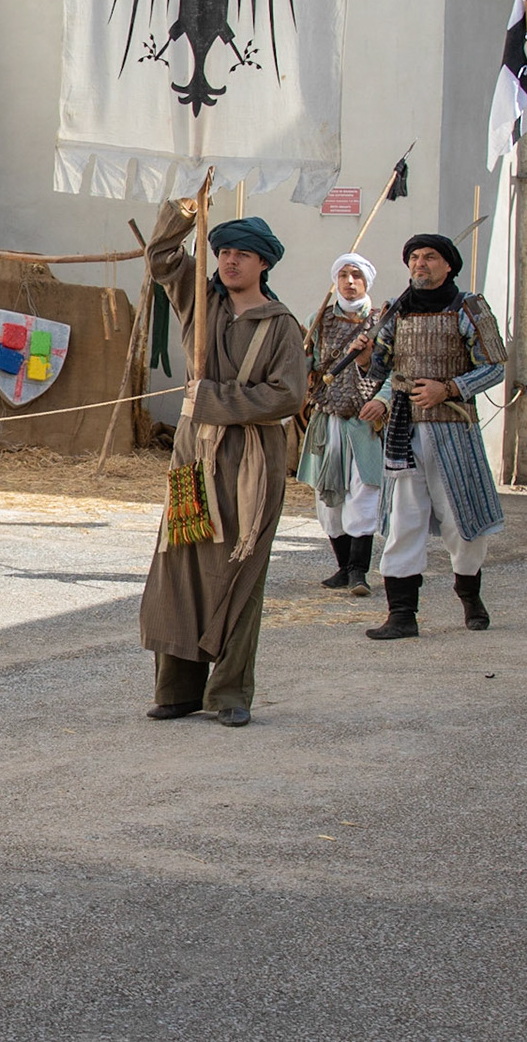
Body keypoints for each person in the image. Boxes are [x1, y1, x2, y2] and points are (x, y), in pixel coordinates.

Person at [139, 204, 307, 728]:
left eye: (243, 255)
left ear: (264, 264)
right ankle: (177, 690)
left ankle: (230, 692)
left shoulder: (281, 325)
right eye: (225, 252)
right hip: (193, 454)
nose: (230, 261)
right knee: (181, 563)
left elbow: (287, 395)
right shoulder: (200, 301)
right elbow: (162, 257)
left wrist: (213, 399)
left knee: (238, 569)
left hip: (252, 461)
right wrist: (184, 214)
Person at [359, 234, 508, 639]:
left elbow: (495, 365)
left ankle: (470, 595)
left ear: (448, 265)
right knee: (403, 522)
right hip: (404, 429)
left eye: (429, 257)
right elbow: (379, 370)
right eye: (414, 257)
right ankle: (402, 615)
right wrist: (366, 359)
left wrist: (451, 388)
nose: (419, 264)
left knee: (462, 521)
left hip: (453, 431)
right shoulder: (397, 311)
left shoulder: (468, 307)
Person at [297, 253, 385, 596]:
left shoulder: (383, 323)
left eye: (356, 275)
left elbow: (393, 373)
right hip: (328, 419)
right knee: (328, 497)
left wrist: (383, 400)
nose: (349, 282)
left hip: (364, 424)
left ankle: (359, 571)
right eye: (343, 275)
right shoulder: (318, 320)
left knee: (364, 494)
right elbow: (306, 365)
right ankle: (344, 567)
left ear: (366, 281)